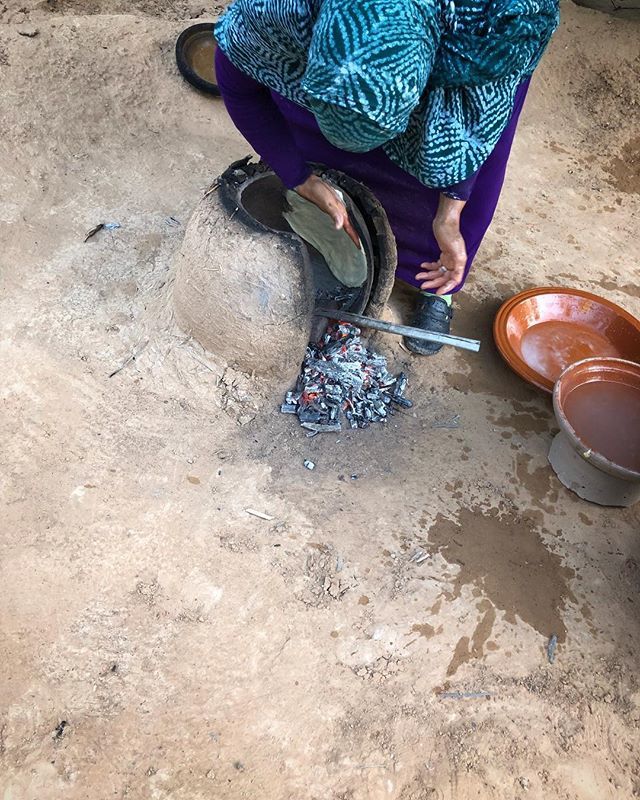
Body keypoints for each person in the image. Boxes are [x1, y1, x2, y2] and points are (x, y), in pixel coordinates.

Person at [214, 0, 559, 354]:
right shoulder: (281, 10)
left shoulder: (494, 39)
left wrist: (449, 214)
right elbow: (236, 81)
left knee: (452, 166)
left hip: (468, 40)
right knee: (319, 142)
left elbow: (475, 135)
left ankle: (436, 289)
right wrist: (300, 177)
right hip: (340, 50)